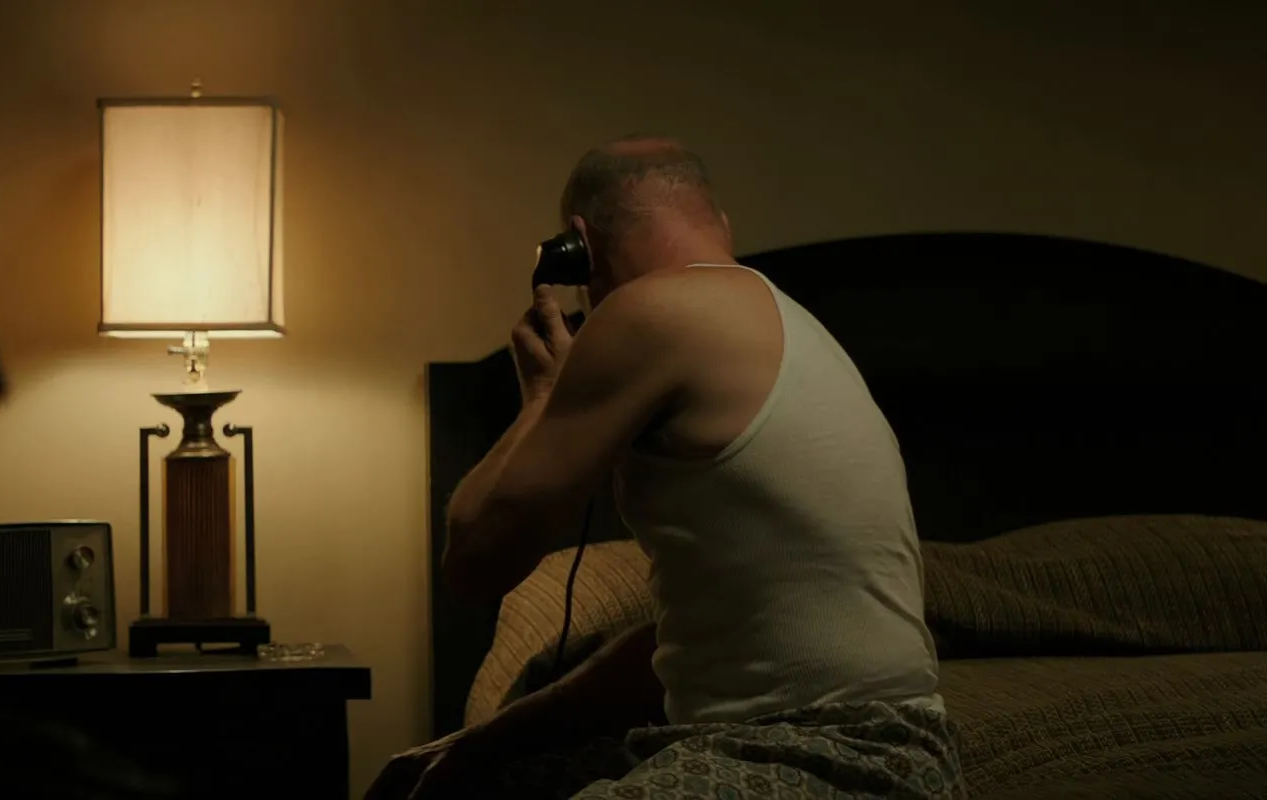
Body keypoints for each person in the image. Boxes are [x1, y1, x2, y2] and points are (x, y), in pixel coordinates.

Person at [367, 137, 963, 800]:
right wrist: (485, 742)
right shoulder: (790, 324)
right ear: (719, 224)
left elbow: (476, 561)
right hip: (899, 753)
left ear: (578, 247)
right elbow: (692, 645)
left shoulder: (651, 311)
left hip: (824, 754)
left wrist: (541, 401)